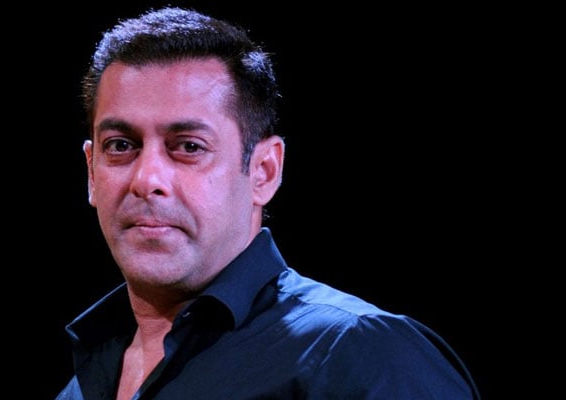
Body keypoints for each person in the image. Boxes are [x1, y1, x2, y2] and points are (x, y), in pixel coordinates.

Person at [55, 6, 481, 400]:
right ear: (91, 171)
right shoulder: (81, 387)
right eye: (121, 145)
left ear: (264, 171)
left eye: (188, 146)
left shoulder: (360, 355)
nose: (147, 180)